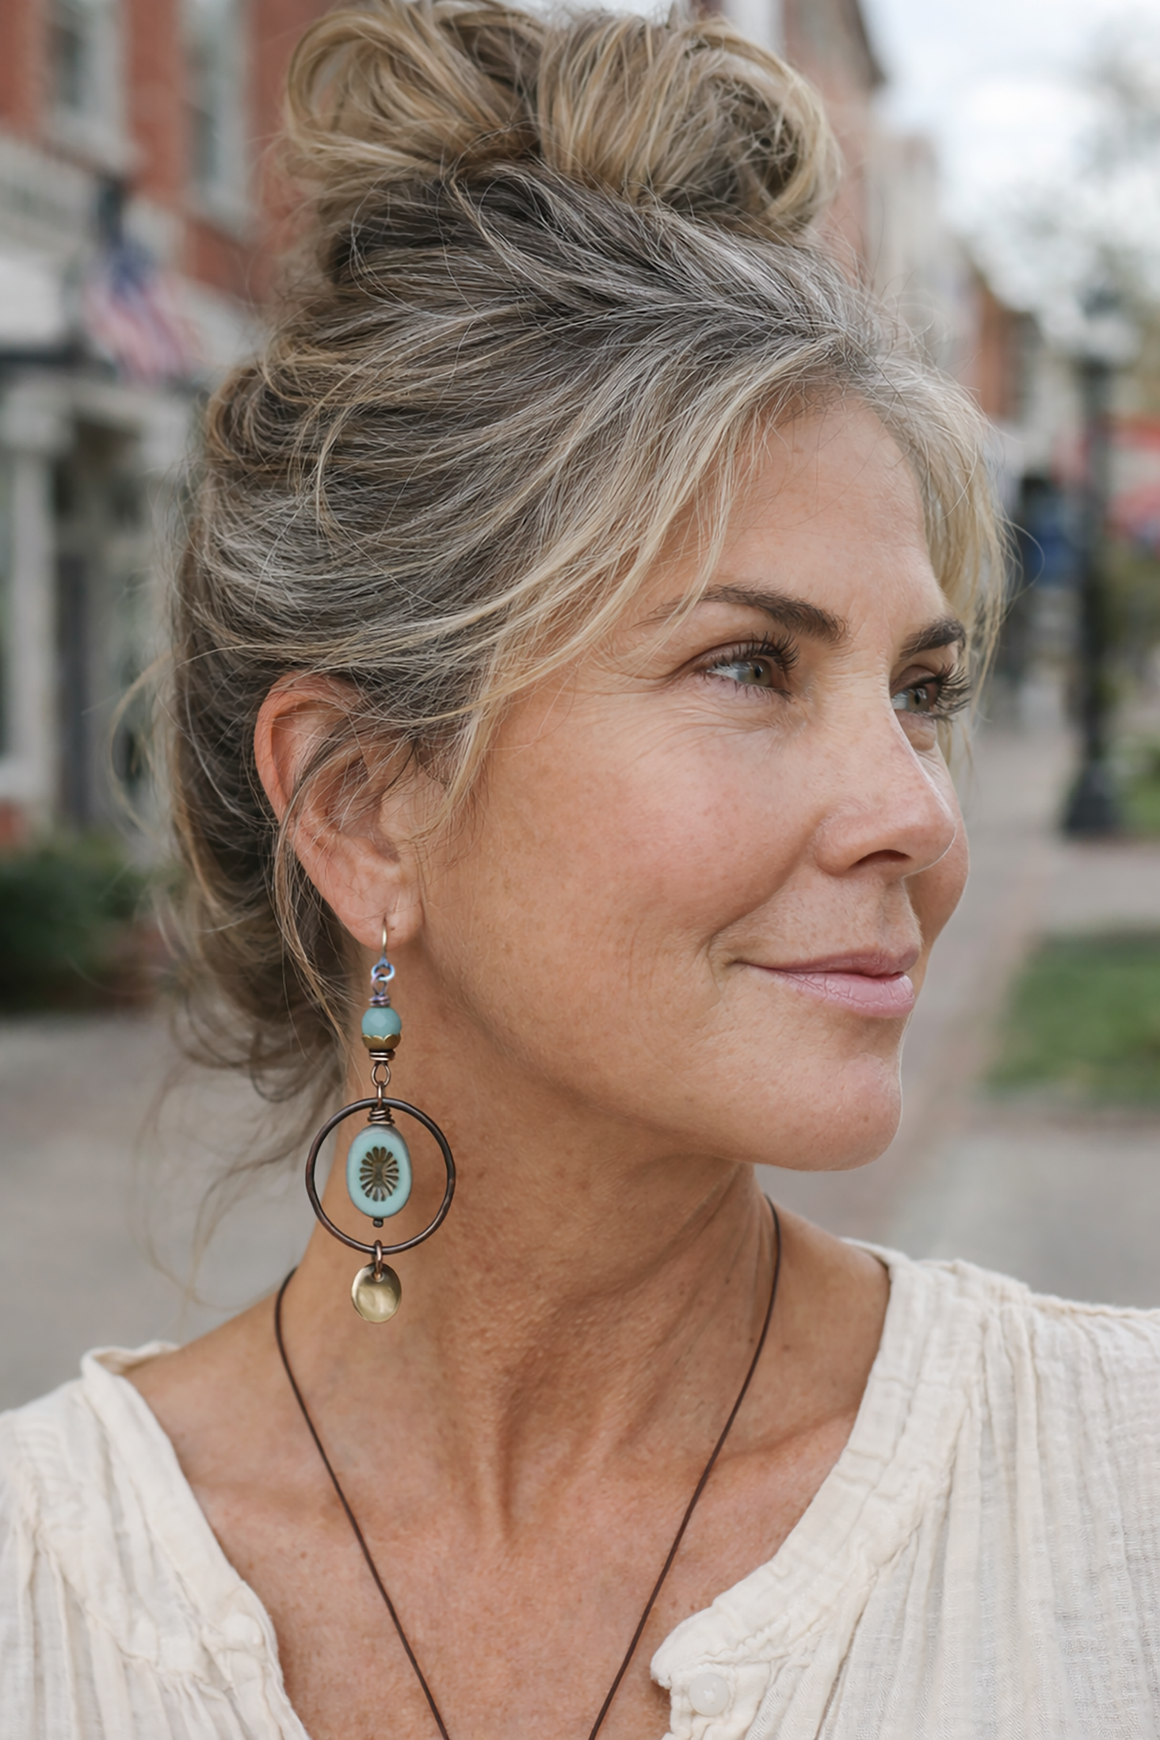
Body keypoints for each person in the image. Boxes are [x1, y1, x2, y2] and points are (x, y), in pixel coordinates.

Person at [3, 4, 1159, 1736]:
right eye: (751, 666)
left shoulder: (1114, 1514)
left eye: (921, 691)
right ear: (363, 807)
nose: (918, 817)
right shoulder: (45, 1604)